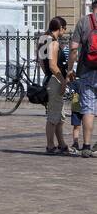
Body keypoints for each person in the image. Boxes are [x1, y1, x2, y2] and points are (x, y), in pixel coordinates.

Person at [68, 0, 97, 158]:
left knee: (88, 109)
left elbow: (73, 49)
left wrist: (70, 69)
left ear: (92, 6)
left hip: (86, 71)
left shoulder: (84, 22)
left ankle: (86, 146)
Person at [36, 16, 69, 154]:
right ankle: (50, 146)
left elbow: (42, 64)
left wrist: (48, 76)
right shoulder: (54, 43)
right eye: (64, 28)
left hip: (49, 79)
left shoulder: (43, 39)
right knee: (53, 117)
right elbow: (53, 66)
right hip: (55, 80)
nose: (65, 31)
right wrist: (62, 81)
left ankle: (62, 144)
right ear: (60, 28)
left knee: (58, 116)